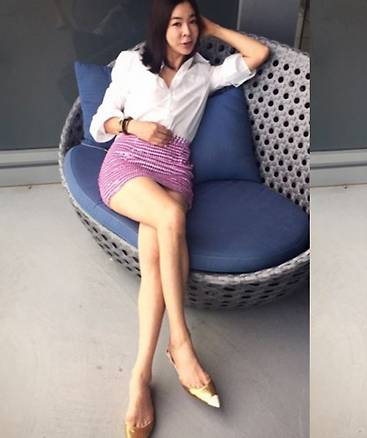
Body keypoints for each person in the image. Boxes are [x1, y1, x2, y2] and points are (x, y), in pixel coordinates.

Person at [89, 1, 269, 436]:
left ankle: (140, 376)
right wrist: (134, 126)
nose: (186, 33)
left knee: (154, 261)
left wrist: (214, 27)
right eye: (176, 24)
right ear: (159, 27)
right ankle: (181, 342)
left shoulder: (204, 73)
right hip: (129, 160)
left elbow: (257, 54)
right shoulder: (132, 64)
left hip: (174, 169)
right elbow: (100, 123)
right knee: (170, 216)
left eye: (191, 24)